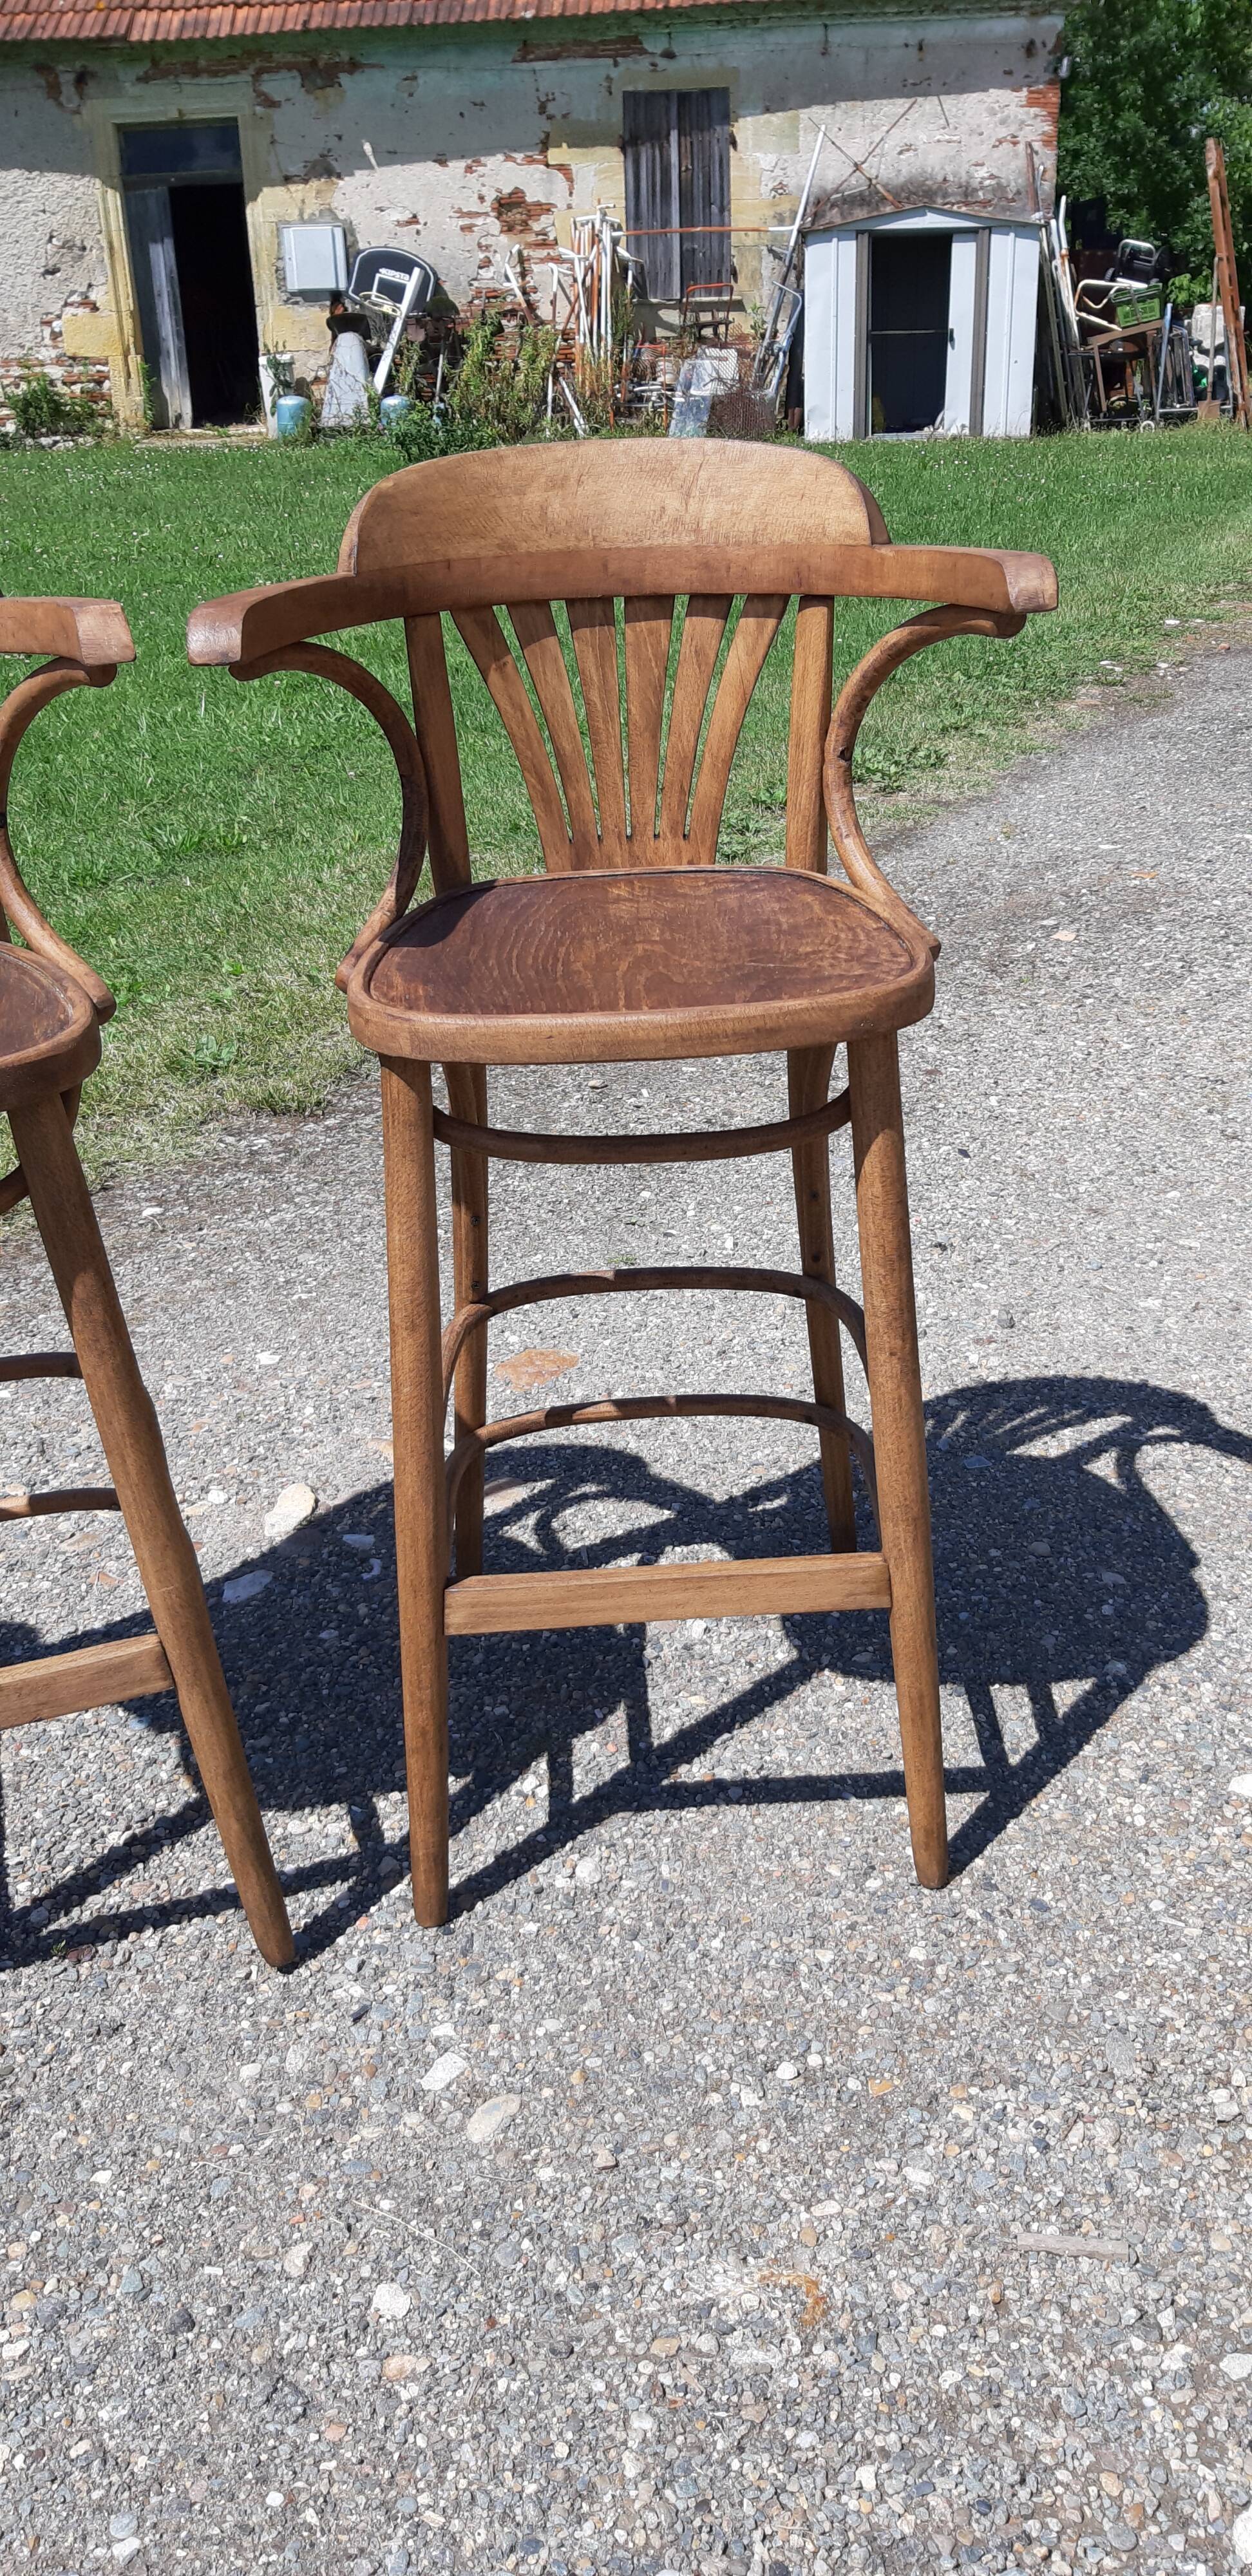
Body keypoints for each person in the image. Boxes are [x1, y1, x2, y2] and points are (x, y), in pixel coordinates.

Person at [321, 293, 372, 428]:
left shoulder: (351, 340)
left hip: (353, 355)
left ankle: (358, 418)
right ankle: (337, 418)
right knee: (342, 386)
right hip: (345, 356)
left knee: (357, 386)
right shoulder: (344, 340)